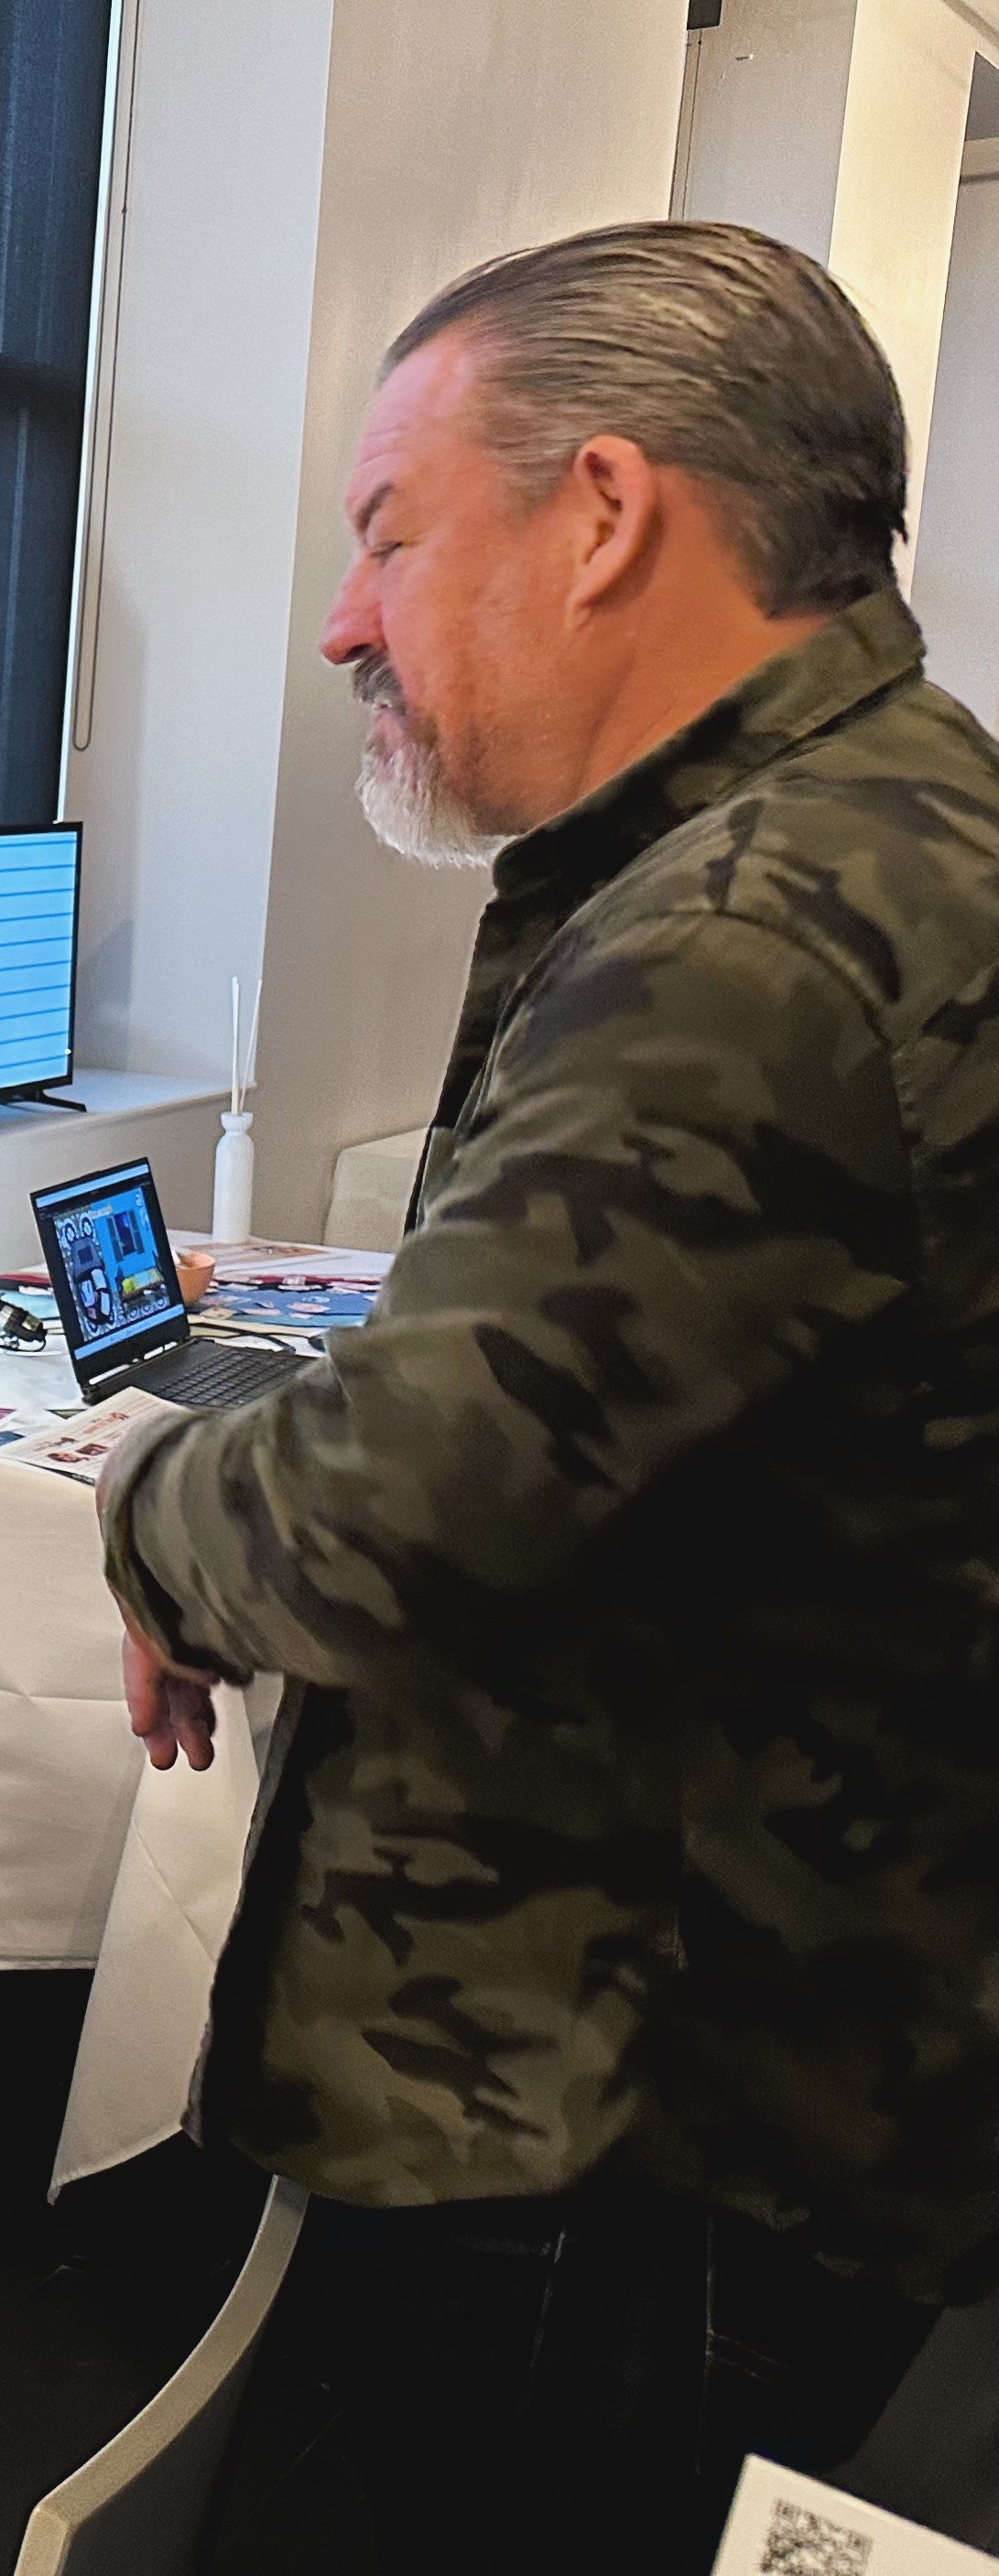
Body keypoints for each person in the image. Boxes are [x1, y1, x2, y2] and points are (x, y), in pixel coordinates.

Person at [100, 220, 999, 2566]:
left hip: (623, 2130)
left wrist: (153, 1513)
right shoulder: (901, 825)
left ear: (603, 514)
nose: (342, 621)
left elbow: (383, 1513)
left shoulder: (750, 938)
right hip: (777, 2058)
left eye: (389, 533)